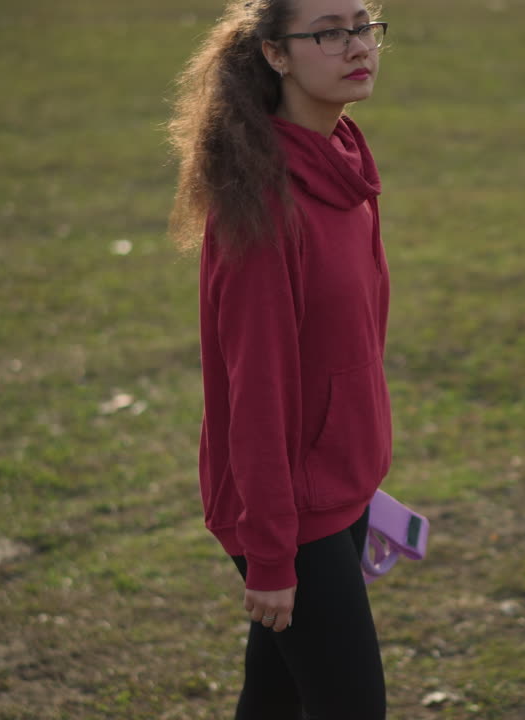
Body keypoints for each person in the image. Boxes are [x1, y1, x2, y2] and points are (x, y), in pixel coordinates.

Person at [167, 1, 392, 717]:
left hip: (331, 488)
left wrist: (360, 477)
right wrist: (270, 555)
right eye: (329, 32)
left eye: (363, 25)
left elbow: (353, 349)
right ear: (276, 55)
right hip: (288, 511)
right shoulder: (263, 205)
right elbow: (256, 393)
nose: (357, 46)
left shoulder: (347, 167)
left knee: (275, 700)